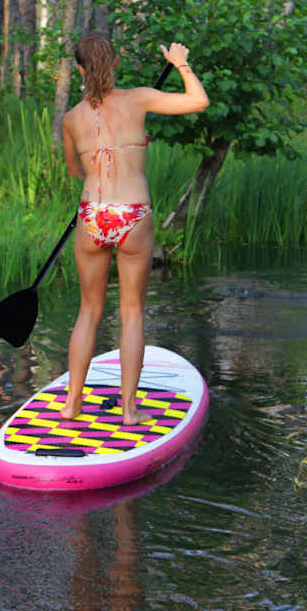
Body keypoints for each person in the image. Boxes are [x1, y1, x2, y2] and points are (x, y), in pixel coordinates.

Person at [60, 35, 208, 425]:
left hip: (93, 214)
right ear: (115, 62)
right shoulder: (139, 98)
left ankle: (72, 404)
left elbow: (75, 170)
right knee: (131, 313)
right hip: (132, 213)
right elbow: (198, 100)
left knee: (89, 311)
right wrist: (180, 63)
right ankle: (128, 411)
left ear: (80, 69)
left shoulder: (71, 118)